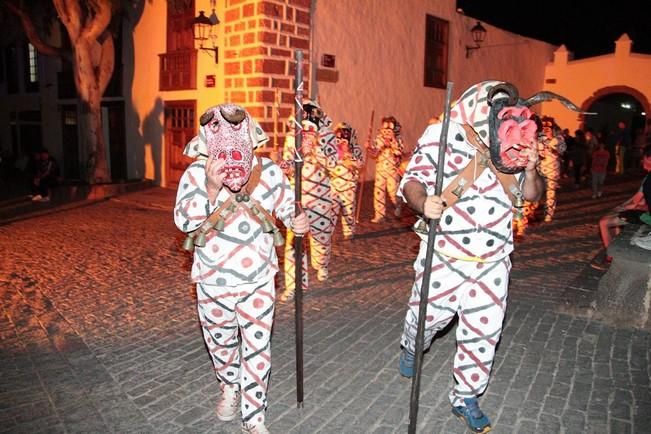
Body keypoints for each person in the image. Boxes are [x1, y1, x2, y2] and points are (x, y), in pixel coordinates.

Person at [397, 81, 545, 433]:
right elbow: (411, 181)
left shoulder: (515, 139)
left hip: (493, 259)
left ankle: (466, 396)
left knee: (484, 332)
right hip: (445, 255)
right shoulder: (441, 134)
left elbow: (531, 196)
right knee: (426, 318)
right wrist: (423, 202)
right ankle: (411, 343)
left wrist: (532, 168)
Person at [173, 103, 309, 434]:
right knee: (221, 345)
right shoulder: (195, 174)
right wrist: (210, 187)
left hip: (259, 281)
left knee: (257, 347)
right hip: (212, 281)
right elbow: (185, 221)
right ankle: (230, 385)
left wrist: (297, 220)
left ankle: (254, 417)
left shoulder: (270, 172)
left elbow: (287, 207)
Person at [281, 99, 338, 301]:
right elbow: (286, 164)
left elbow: (333, 164)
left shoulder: (328, 136)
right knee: (293, 243)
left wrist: (316, 148)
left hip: (321, 198)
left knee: (321, 241)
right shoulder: (291, 138)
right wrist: (284, 165)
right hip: (298, 198)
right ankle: (295, 285)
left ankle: (321, 264)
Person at [592, 145, 651, 267]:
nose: (644, 165)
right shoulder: (648, 178)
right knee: (619, 215)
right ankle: (616, 252)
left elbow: (637, 202)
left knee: (604, 222)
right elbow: (637, 199)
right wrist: (622, 207)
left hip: (647, 216)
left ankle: (611, 257)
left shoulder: (648, 179)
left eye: (645, 160)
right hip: (644, 211)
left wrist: (625, 208)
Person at [330, 122, 364, 240]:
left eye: (344, 139)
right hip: (334, 184)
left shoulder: (355, 150)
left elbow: (360, 163)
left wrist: (349, 157)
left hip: (349, 186)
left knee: (348, 210)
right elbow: (327, 163)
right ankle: (328, 231)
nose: (341, 142)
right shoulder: (332, 150)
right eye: (338, 139)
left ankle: (349, 231)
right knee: (331, 209)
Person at [369, 116, 405, 223]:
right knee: (378, 192)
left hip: (392, 170)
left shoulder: (398, 140)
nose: (386, 133)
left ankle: (398, 204)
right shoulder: (378, 139)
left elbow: (399, 152)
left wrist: (392, 144)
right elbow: (374, 153)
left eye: (389, 130)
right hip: (380, 169)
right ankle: (379, 214)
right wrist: (370, 148)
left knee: (393, 191)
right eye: (385, 130)